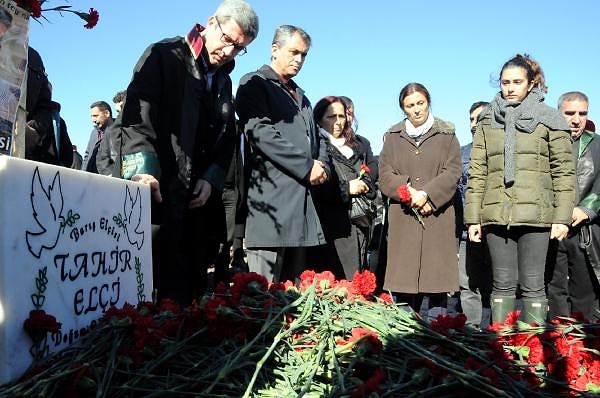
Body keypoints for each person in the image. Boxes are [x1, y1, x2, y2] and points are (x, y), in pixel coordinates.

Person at [96, 0, 259, 305]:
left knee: (189, 289)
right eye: (227, 40)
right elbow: (137, 116)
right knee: (148, 287)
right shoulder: (165, 56)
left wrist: (211, 178)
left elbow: (225, 137)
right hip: (158, 188)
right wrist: (141, 169)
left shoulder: (224, 81)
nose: (229, 52)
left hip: (195, 200)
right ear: (211, 22)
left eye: (239, 48)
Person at [465, 54, 576, 325]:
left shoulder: (550, 118)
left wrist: (562, 217)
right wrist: (473, 218)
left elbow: (564, 171)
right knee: (502, 284)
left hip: (537, 217)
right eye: (505, 82)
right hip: (496, 215)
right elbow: (478, 171)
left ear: (531, 83)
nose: (510, 88)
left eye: (517, 82)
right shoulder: (488, 120)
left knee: (533, 285)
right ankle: (502, 349)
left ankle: (532, 352)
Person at [235, 25, 329, 282]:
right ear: (274, 50)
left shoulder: (302, 97)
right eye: (294, 52)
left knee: (295, 301)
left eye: (304, 55)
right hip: (271, 211)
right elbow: (260, 132)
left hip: (301, 213)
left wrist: (323, 167)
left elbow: (318, 138)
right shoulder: (254, 84)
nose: (299, 60)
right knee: (262, 298)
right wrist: (306, 166)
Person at [379, 82, 461, 313]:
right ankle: (405, 340)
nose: (416, 109)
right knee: (404, 288)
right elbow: (385, 174)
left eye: (420, 103)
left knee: (436, 286)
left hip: (437, 217)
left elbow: (452, 171)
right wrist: (408, 193)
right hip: (405, 218)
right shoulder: (393, 137)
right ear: (403, 108)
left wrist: (428, 195)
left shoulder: (447, 135)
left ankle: (437, 336)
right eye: (410, 105)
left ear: (428, 102)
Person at [309, 96, 378, 280]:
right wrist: (346, 188)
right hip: (330, 227)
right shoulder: (314, 147)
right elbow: (316, 185)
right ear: (319, 118)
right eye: (331, 116)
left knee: (356, 276)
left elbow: (373, 174)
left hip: (359, 223)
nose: (338, 121)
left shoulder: (359, 144)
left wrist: (363, 185)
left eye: (341, 116)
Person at [546, 91, 600, 321]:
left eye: (582, 113)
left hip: (584, 233)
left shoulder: (596, 144)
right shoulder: (543, 141)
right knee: (554, 291)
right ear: (558, 113)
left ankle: (582, 349)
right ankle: (557, 345)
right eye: (569, 113)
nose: (576, 119)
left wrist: (585, 209)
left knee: (584, 295)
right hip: (550, 229)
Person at [456, 101, 492, 328]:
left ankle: (497, 334)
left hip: (497, 230)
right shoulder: (461, 154)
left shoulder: (506, 152)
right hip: (466, 233)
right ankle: (472, 332)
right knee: (467, 284)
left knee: (498, 285)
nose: (473, 124)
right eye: (470, 119)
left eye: (478, 118)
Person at [82, 100, 113, 173]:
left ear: (107, 113)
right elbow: (87, 155)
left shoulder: (118, 130)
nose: (93, 120)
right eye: (92, 116)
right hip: (90, 178)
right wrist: (83, 173)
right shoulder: (94, 132)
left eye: (96, 116)